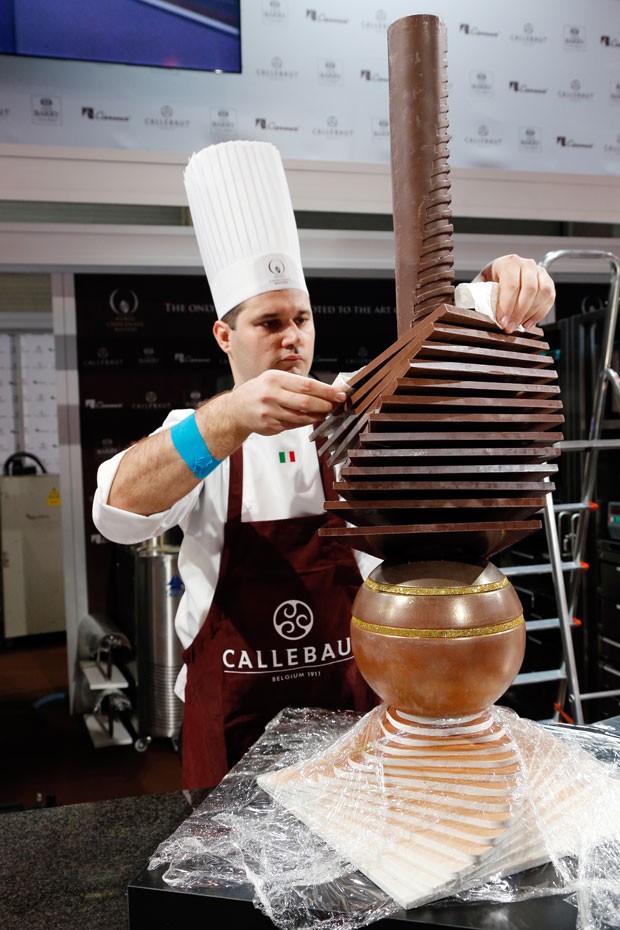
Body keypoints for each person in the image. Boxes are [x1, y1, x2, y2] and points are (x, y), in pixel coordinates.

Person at [92, 140, 556, 789]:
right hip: (235, 726)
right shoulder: (198, 434)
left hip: (352, 719)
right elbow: (116, 514)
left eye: (302, 318)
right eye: (269, 322)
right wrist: (229, 419)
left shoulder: (355, 404)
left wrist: (510, 288)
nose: (293, 337)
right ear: (225, 336)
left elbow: (451, 337)